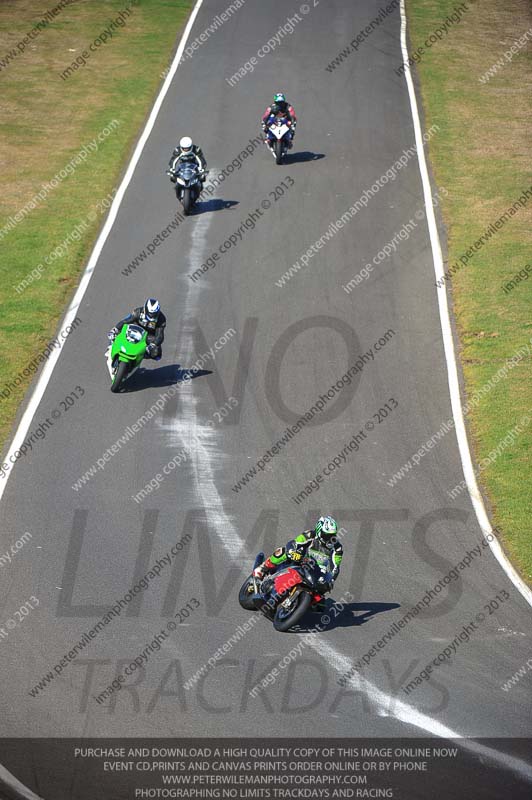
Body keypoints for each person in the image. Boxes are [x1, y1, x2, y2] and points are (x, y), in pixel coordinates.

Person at [253, 516, 342, 609]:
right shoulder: (310, 535)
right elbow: (294, 543)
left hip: (317, 572)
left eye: (332, 536)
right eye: (326, 535)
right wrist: (293, 552)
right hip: (301, 562)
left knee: (320, 602)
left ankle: (300, 603)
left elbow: (335, 567)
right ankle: (263, 568)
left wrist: (331, 579)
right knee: (283, 551)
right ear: (319, 531)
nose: (329, 538)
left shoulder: (337, 548)